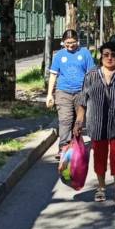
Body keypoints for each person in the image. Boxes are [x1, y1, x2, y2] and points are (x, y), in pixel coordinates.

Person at [73, 42, 115, 211]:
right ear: (101, 56)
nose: (110, 58)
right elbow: (82, 99)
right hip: (97, 122)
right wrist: (79, 121)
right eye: (106, 54)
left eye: (114, 55)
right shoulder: (92, 74)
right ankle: (101, 187)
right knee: (100, 157)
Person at [46, 29, 96, 158]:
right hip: (63, 92)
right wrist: (49, 94)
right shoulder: (59, 55)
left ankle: (76, 145)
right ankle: (63, 147)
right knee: (65, 120)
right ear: (63, 42)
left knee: (78, 122)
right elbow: (53, 74)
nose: (70, 45)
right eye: (67, 43)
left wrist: (92, 92)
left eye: (73, 42)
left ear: (77, 40)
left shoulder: (85, 53)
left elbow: (91, 74)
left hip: (81, 92)